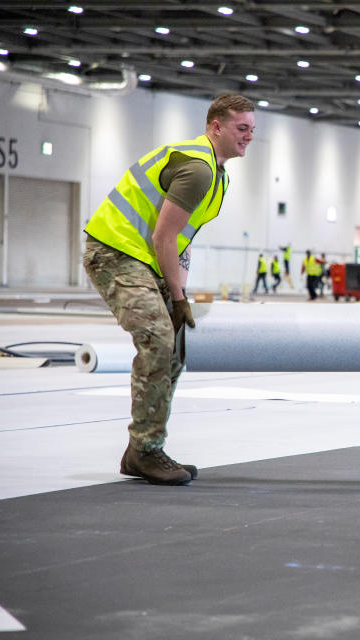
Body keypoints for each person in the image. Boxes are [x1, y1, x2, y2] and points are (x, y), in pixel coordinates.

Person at [81, 93, 255, 485]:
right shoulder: (198, 169)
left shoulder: (217, 172)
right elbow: (164, 236)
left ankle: (143, 450)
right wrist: (176, 298)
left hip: (143, 257)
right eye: (241, 128)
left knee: (174, 345)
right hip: (114, 252)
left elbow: (183, 238)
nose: (248, 137)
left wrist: (182, 293)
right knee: (158, 338)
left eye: (252, 130)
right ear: (216, 126)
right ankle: (145, 450)